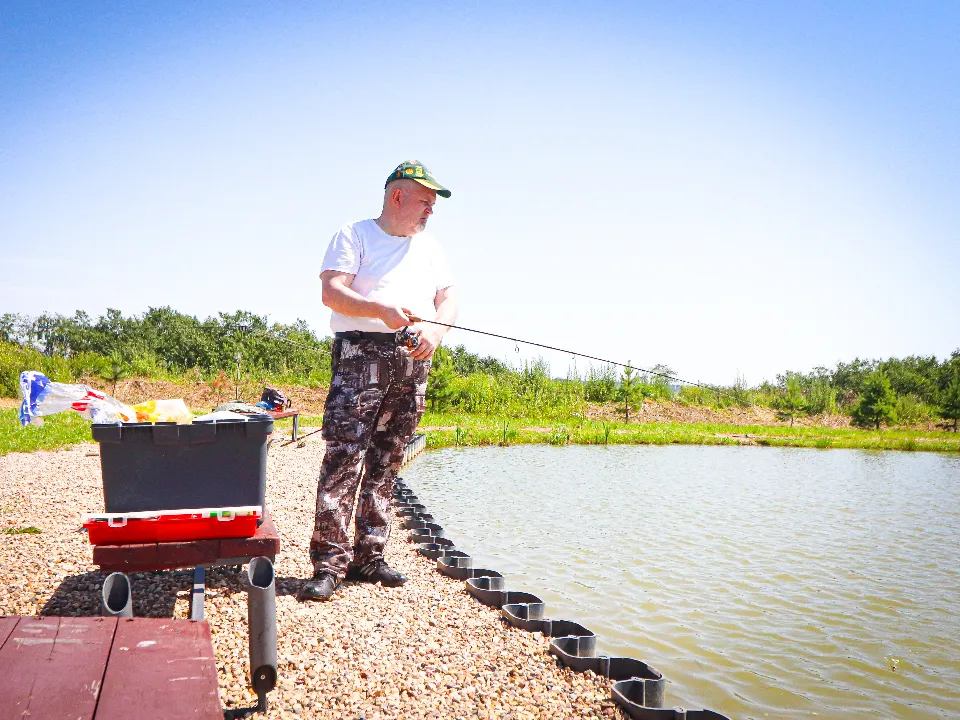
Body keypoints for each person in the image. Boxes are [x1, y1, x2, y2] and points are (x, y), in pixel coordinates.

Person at [299, 160, 458, 602]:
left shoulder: (431, 247)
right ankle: (330, 564)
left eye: (433, 204)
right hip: (360, 355)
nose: (430, 211)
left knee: (388, 460)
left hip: (413, 360)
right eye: (425, 201)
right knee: (344, 458)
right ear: (397, 196)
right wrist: (380, 310)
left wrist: (437, 330)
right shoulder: (354, 234)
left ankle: (371, 557)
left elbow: (449, 299)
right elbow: (331, 292)